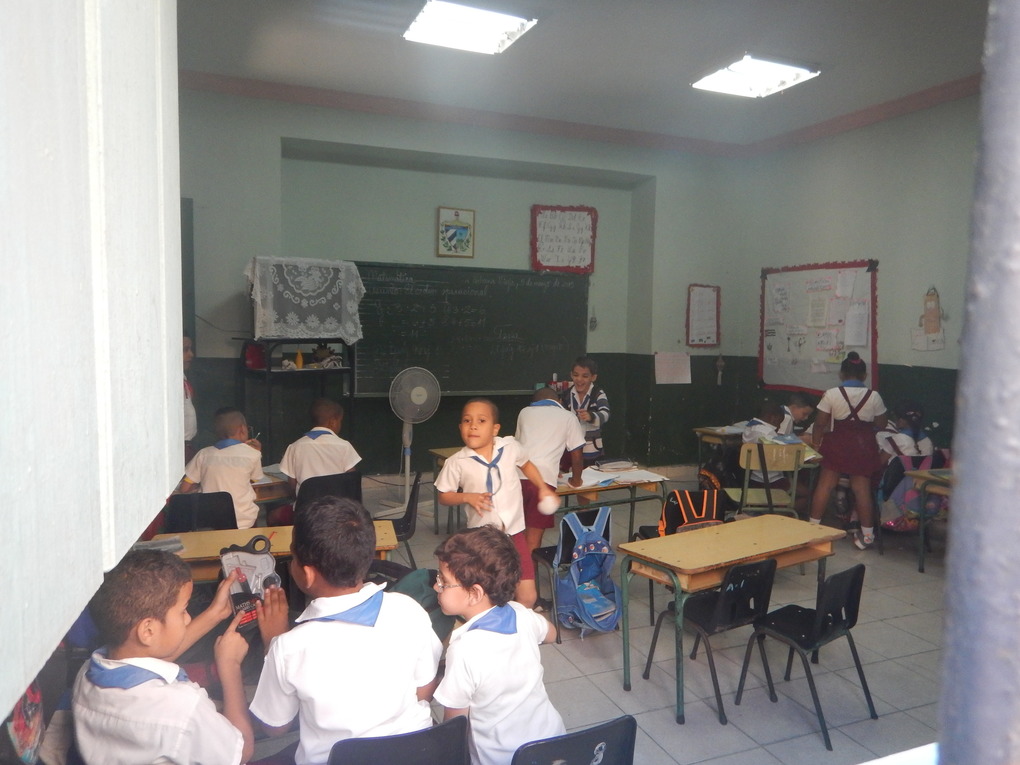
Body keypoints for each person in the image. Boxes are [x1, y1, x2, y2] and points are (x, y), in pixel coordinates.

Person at [250, 497, 442, 765]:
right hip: (418, 755)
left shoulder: (289, 647)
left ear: (308, 574)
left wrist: (272, 641)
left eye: (293, 556)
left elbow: (275, 726)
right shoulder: (408, 609)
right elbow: (424, 689)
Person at [72, 550, 254, 765]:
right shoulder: (181, 707)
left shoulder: (86, 673)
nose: (188, 619)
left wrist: (215, 614)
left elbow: (147, 659)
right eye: (183, 610)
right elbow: (241, 752)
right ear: (148, 630)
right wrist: (230, 665)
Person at [433, 526, 564, 765]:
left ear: (474, 594)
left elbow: (455, 726)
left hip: (502, 758)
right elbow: (552, 634)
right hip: (552, 744)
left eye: (443, 581)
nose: (436, 586)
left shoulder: (464, 649)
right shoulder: (520, 613)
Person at [435, 399, 558, 609]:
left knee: (527, 597)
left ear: (495, 429)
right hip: (481, 541)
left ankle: (516, 625)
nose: (473, 426)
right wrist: (467, 497)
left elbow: (527, 465)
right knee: (486, 597)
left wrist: (543, 488)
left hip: (514, 534)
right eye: (467, 421)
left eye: (481, 421)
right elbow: (444, 495)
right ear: (460, 427)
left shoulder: (510, 447)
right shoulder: (456, 462)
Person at [808, 351, 888, 549]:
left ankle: (812, 529)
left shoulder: (831, 394)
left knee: (825, 486)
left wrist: (816, 445)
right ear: (865, 376)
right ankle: (867, 536)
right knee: (862, 490)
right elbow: (882, 424)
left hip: (836, 444)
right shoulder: (874, 396)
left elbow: (819, 424)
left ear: (841, 374)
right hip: (863, 446)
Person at [515, 387, 585, 556]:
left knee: (516, 534)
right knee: (533, 539)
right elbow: (576, 455)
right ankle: (529, 572)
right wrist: (576, 480)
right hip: (542, 482)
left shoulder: (524, 412)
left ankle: (511, 570)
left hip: (516, 478)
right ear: (559, 401)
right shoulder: (568, 417)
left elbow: (520, 447)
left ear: (534, 402)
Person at [273, 397, 362, 524]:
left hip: (306, 515)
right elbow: (351, 481)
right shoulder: (344, 446)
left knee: (273, 515)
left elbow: (292, 484)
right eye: (340, 421)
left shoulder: (295, 447)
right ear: (333, 421)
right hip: (337, 513)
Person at [178, 407, 263, 529]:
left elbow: (184, 488)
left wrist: (202, 485)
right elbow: (252, 479)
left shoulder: (203, 454)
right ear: (243, 429)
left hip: (211, 521)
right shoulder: (253, 454)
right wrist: (257, 452)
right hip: (244, 520)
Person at [560, 356, 609, 465]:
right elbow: (561, 417)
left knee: (591, 472)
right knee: (571, 470)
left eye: (585, 376)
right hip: (570, 447)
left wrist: (592, 416)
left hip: (592, 449)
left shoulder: (598, 394)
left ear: (593, 377)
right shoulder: (566, 395)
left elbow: (605, 414)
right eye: (576, 375)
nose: (579, 379)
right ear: (571, 375)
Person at [742, 401, 787, 488]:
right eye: (779, 422)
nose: (779, 427)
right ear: (773, 418)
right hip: (770, 479)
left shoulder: (749, 427)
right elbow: (778, 457)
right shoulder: (768, 432)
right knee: (801, 489)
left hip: (752, 476)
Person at [183, 332, 197, 462]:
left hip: (187, 444)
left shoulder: (183, 379)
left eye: (190, 349)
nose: (191, 354)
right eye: (185, 350)